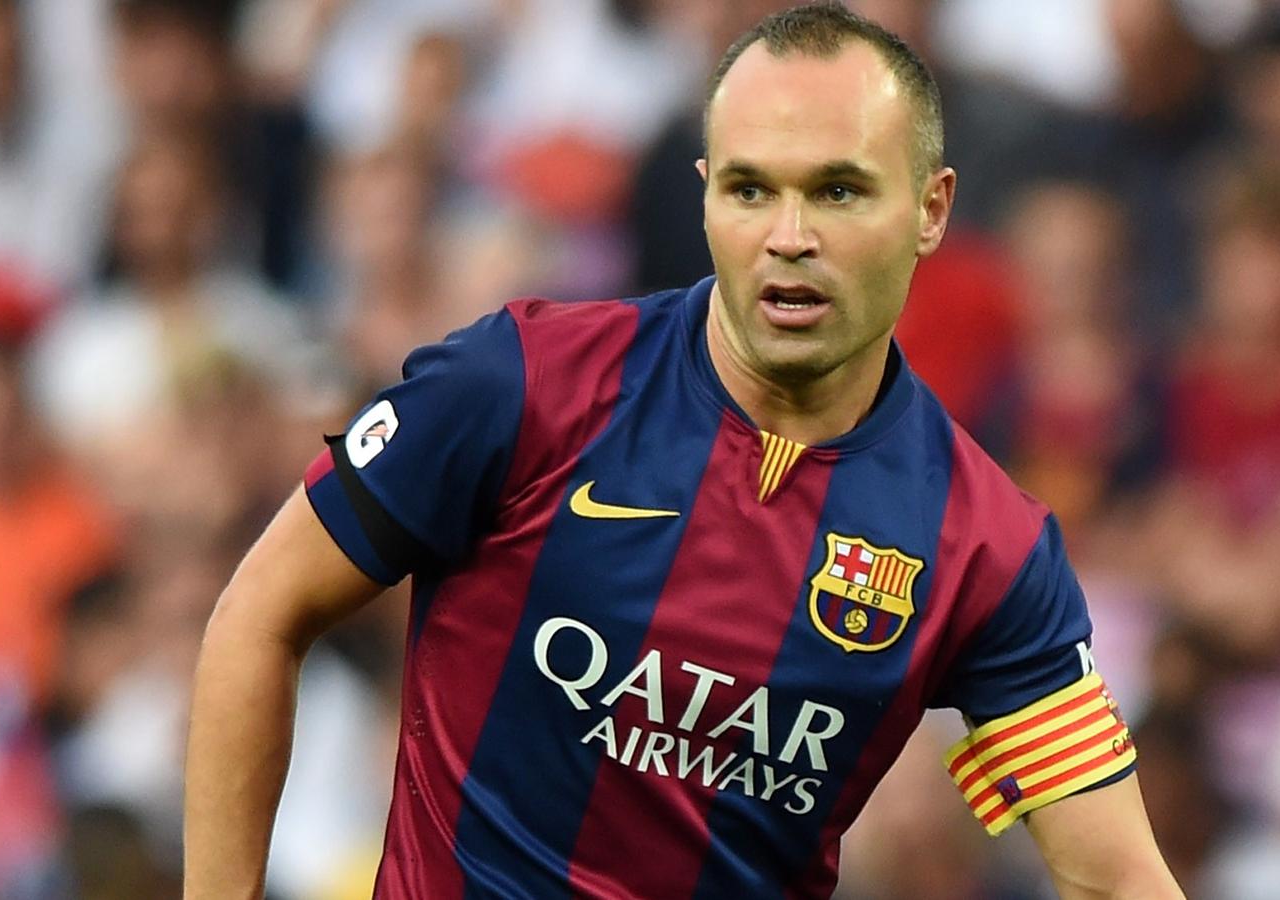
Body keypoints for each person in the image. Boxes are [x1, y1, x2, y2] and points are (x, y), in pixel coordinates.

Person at [183, 4, 1182, 896]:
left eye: (838, 191)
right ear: (704, 196)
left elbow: (1114, 876)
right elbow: (259, 615)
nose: (788, 235)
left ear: (931, 209)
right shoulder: (521, 385)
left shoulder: (986, 547)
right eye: (750, 190)